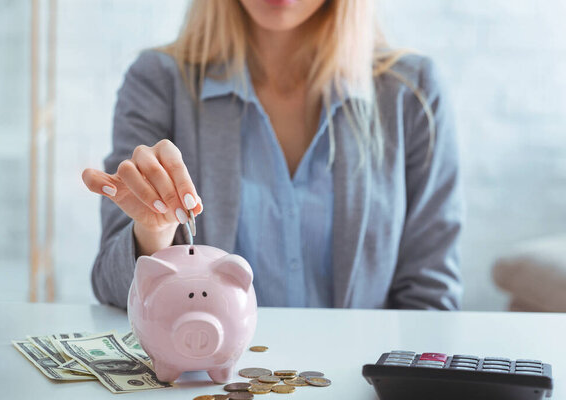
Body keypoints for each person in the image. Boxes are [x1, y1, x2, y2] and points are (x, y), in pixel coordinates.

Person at [82, 0, 463, 310]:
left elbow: (430, 300)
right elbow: (110, 285)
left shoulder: (412, 93)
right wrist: (153, 233)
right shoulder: (158, 81)